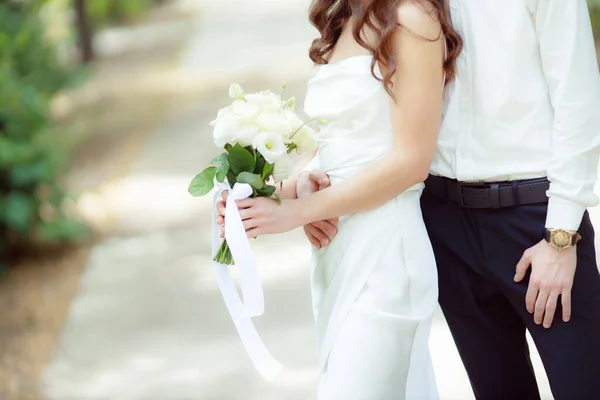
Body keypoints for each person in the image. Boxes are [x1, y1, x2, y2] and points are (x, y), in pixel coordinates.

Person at [290, 1, 600, 399]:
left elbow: (579, 102)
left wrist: (561, 236)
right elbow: (369, 113)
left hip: (534, 219)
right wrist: (310, 179)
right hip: (445, 222)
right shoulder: (406, 8)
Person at [217, 0, 461, 397]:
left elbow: (412, 161)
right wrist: (271, 197)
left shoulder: (413, 19)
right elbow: (339, 145)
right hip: (336, 248)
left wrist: (299, 212)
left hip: (385, 252)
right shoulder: (344, 20)